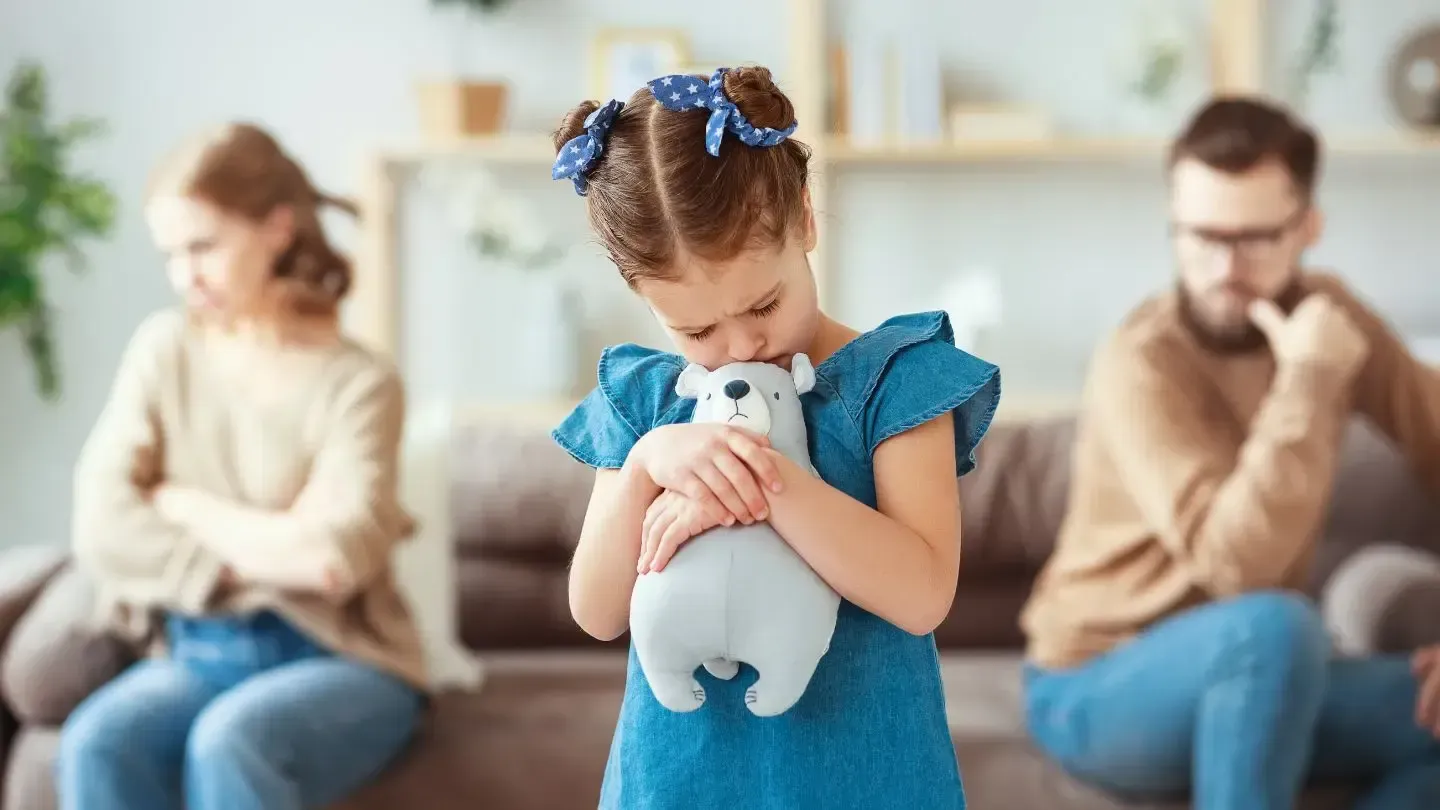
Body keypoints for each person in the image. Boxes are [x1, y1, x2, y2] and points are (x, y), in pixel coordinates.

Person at [548, 66, 1001, 809]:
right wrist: (644, 468)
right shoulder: (648, 404)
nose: (738, 348)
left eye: (763, 303)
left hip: (866, 783)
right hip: (678, 783)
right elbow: (596, 612)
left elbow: (921, 594)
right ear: (640, 296)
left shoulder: (896, 380)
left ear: (806, 220)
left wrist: (763, 481)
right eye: (695, 329)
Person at [1019, 96, 1440, 808]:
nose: (1222, 266)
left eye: (1252, 239)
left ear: (1308, 227)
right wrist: (1307, 378)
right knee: (1277, 625)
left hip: (1261, 675)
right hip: (1096, 684)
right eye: (1198, 236)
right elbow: (1238, 568)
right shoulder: (1141, 361)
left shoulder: (1332, 319)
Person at [59, 123, 426, 810]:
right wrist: (255, 550)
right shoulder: (164, 350)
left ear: (277, 229)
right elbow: (100, 523)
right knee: (97, 742)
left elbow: (331, 559)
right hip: (199, 652)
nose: (183, 276)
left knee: (232, 742)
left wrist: (182, 505)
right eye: (170, 253)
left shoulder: (360, 382)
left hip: (343, 661)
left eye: (202, 246)